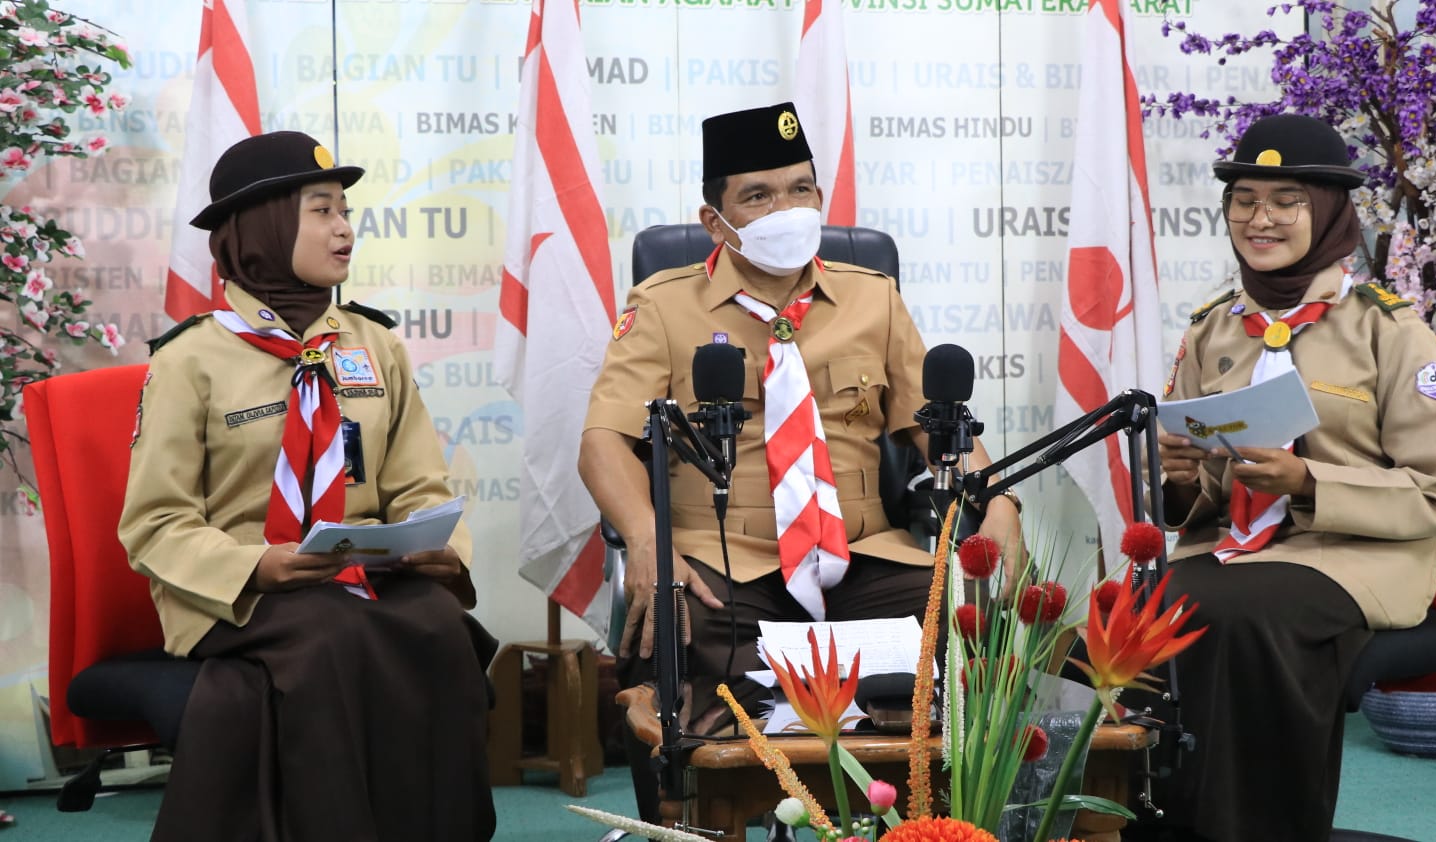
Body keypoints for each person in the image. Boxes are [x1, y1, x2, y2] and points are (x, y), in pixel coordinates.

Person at [577, 101, 1025, 819]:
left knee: (966, 634)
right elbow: (604, 443)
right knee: (693, 647)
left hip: (861, 554)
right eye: (758, 195)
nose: (785, 208)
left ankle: (934, 820)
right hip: (725, 561)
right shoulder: (662, 307)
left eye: (800, 189)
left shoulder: (874, 300)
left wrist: (999, 503)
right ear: (713, 221)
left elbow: (942, 431)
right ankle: (704, 805)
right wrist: (644, 540)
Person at [118, 131, 497, 842]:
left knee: (441, 625)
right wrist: (257, 564)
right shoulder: (189, 360)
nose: (345, 229)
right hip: (236, 589)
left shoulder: (373, 344)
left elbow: (419, 482)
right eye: (322, 210)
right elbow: (155, 522)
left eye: (345, 210)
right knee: (328, 632)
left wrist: (437, 546)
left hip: (356, 572)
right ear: (262, 223)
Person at [1152, 114, 1436, 842]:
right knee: (1139, 612)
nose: (1261, 219)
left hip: (1361, 556)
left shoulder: (1391, 330)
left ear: (1326, 213)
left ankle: (1261, 828)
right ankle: (1163, 825)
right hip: (1236, 549)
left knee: (1241, 615)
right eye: (1245, 199)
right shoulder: (1212, 329)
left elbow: (1434, 492)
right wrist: (1179, 477)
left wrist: (1308, 482)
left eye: (1286, 200)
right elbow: (1194, 502)